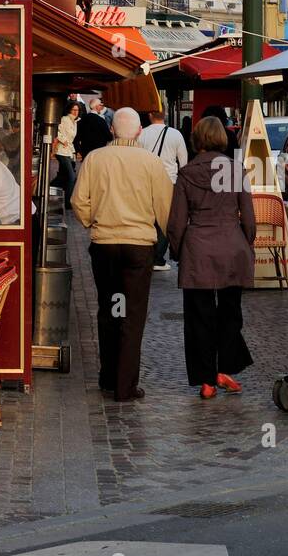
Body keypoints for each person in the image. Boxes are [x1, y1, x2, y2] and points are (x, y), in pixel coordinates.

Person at [72, 107, 173, 402]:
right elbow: (165, 208)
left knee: (110, 309)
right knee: (132, 315)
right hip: (138, 248)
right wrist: (172, 240)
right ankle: (124, 385)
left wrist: (93, 220)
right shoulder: (151, 163)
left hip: (105, 246)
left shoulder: (95, 159)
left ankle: (107, 376)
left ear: (112, 130)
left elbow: (79, 201)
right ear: (140, 131)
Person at [166, 114, 256, 400]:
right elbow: (249, 218)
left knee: (199, 318)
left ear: (197, 140)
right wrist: (246, 243)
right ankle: (224, 368)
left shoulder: (187, 173)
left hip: (199, 250)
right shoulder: (235, 170)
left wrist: (178, 251)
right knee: (230, 314)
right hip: (232, 248)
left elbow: (177, 221)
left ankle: (206, 379)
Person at [138, 110, 189, 270]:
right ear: (165, 115)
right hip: (169, 182)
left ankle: (147, 254)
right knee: (166, 220)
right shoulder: (176, 134)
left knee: (148, 218)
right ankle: (158, 258)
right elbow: (184, 161)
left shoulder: (142, 134)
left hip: (146, 182)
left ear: (150, 116)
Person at [53, 101, 80, 208]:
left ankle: (44, 189)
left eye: (77, 110)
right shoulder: (65, 119)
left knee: (62, 177)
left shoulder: (75, 121)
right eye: (73, 109)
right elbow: (57, 131)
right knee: (71, 177)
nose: (75, 112)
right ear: (69, 110)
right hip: (62, 151)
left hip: (69, 151)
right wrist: (63, 140)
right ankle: (68, 203)